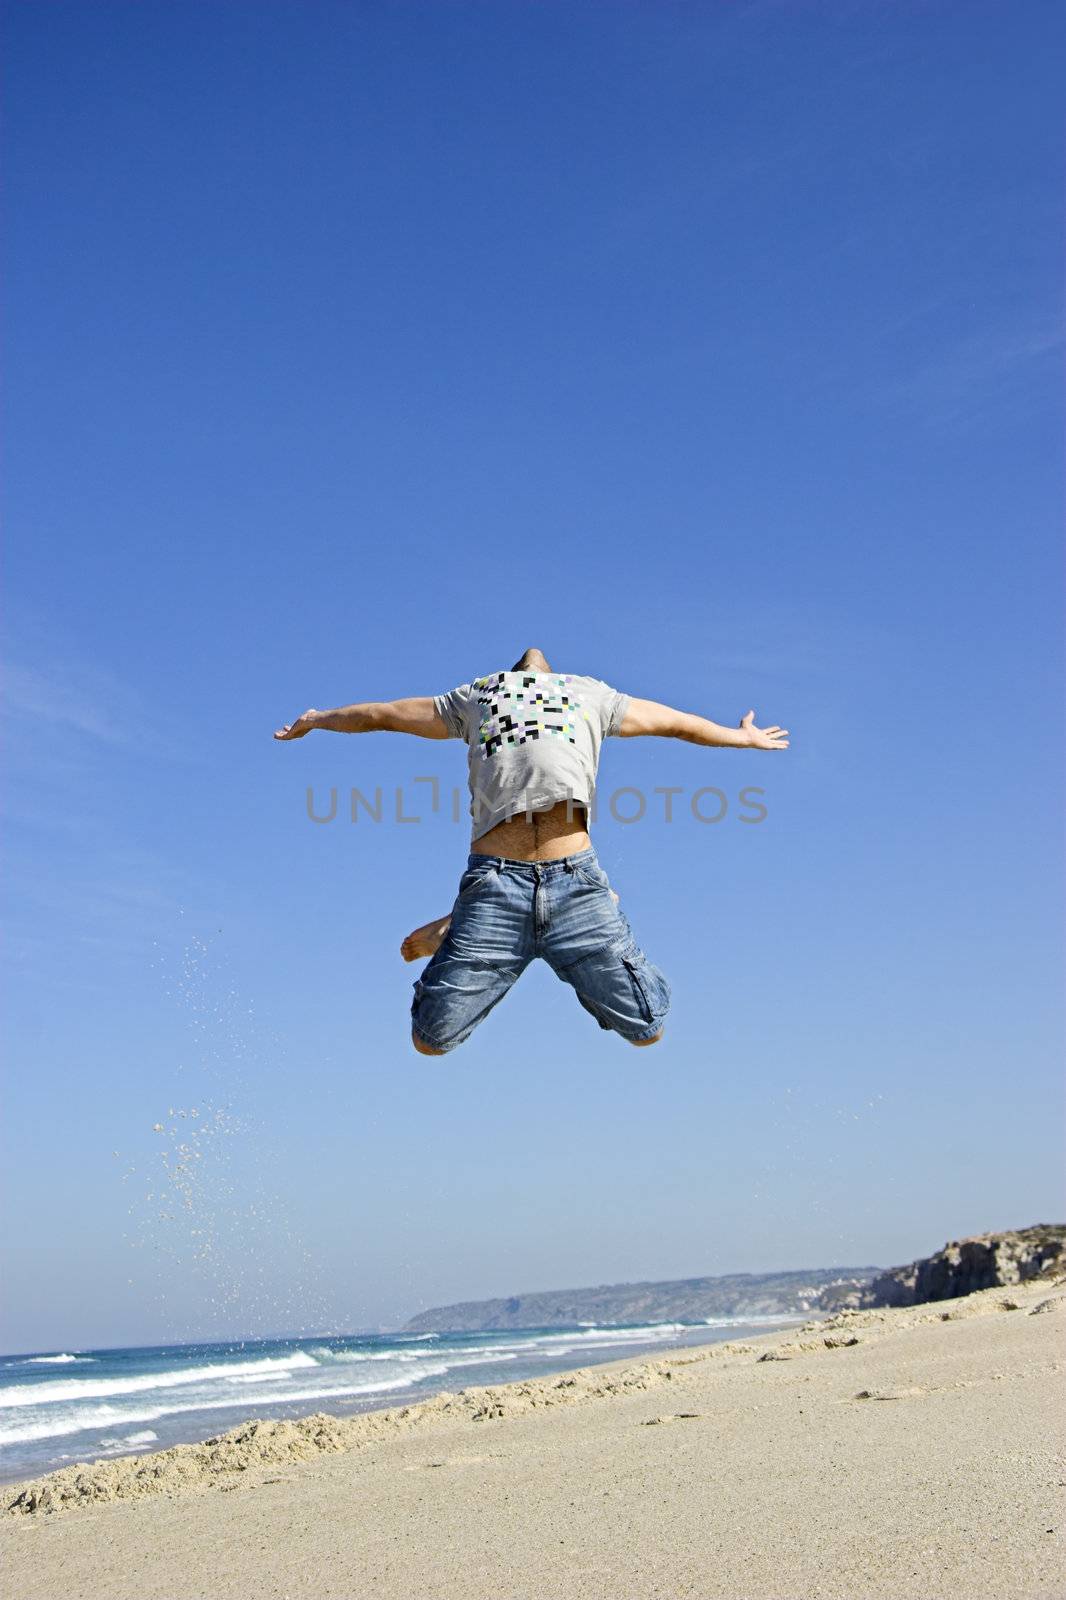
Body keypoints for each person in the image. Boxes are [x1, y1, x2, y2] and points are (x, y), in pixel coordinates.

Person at [274, 647, 788, 1055]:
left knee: (647, 1027)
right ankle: (464, 926)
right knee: (429, 1041)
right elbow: (383, 714)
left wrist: (741, 739)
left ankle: (486, 931)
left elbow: (676, 723)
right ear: (511, 673)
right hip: (496, 886)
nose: (532, 650)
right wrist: (319, 718)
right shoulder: (475, 698)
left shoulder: (591, 695)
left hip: (575, 884)